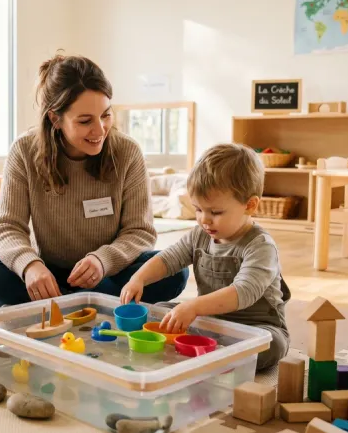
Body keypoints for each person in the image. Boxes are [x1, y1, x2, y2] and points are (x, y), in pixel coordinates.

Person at [0, 53, 189, 306]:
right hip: (47, 273)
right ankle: (87, 303)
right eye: (85, 121)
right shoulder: (24, 150)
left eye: (106, 115)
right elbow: (7, 227)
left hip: (107, 274)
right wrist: (29, 266)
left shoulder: (128, 152)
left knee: (174, 270)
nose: (100, 129)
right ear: (55, 119)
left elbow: (140, 231)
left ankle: (63, 304)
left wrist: (103, 260)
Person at [120, 143, 290, 370]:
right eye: (198, 209)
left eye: (215, 212)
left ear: (249, 205)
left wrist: (194, 307)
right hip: (210, 321)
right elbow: (168, 258)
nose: (204, 220)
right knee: (159, 311)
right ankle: (209, 351)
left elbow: (244, 291)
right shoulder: (199, 235)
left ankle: (210, 353)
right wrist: (138, 279)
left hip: (256, 327)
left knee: (272, 345)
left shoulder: (261, 246)